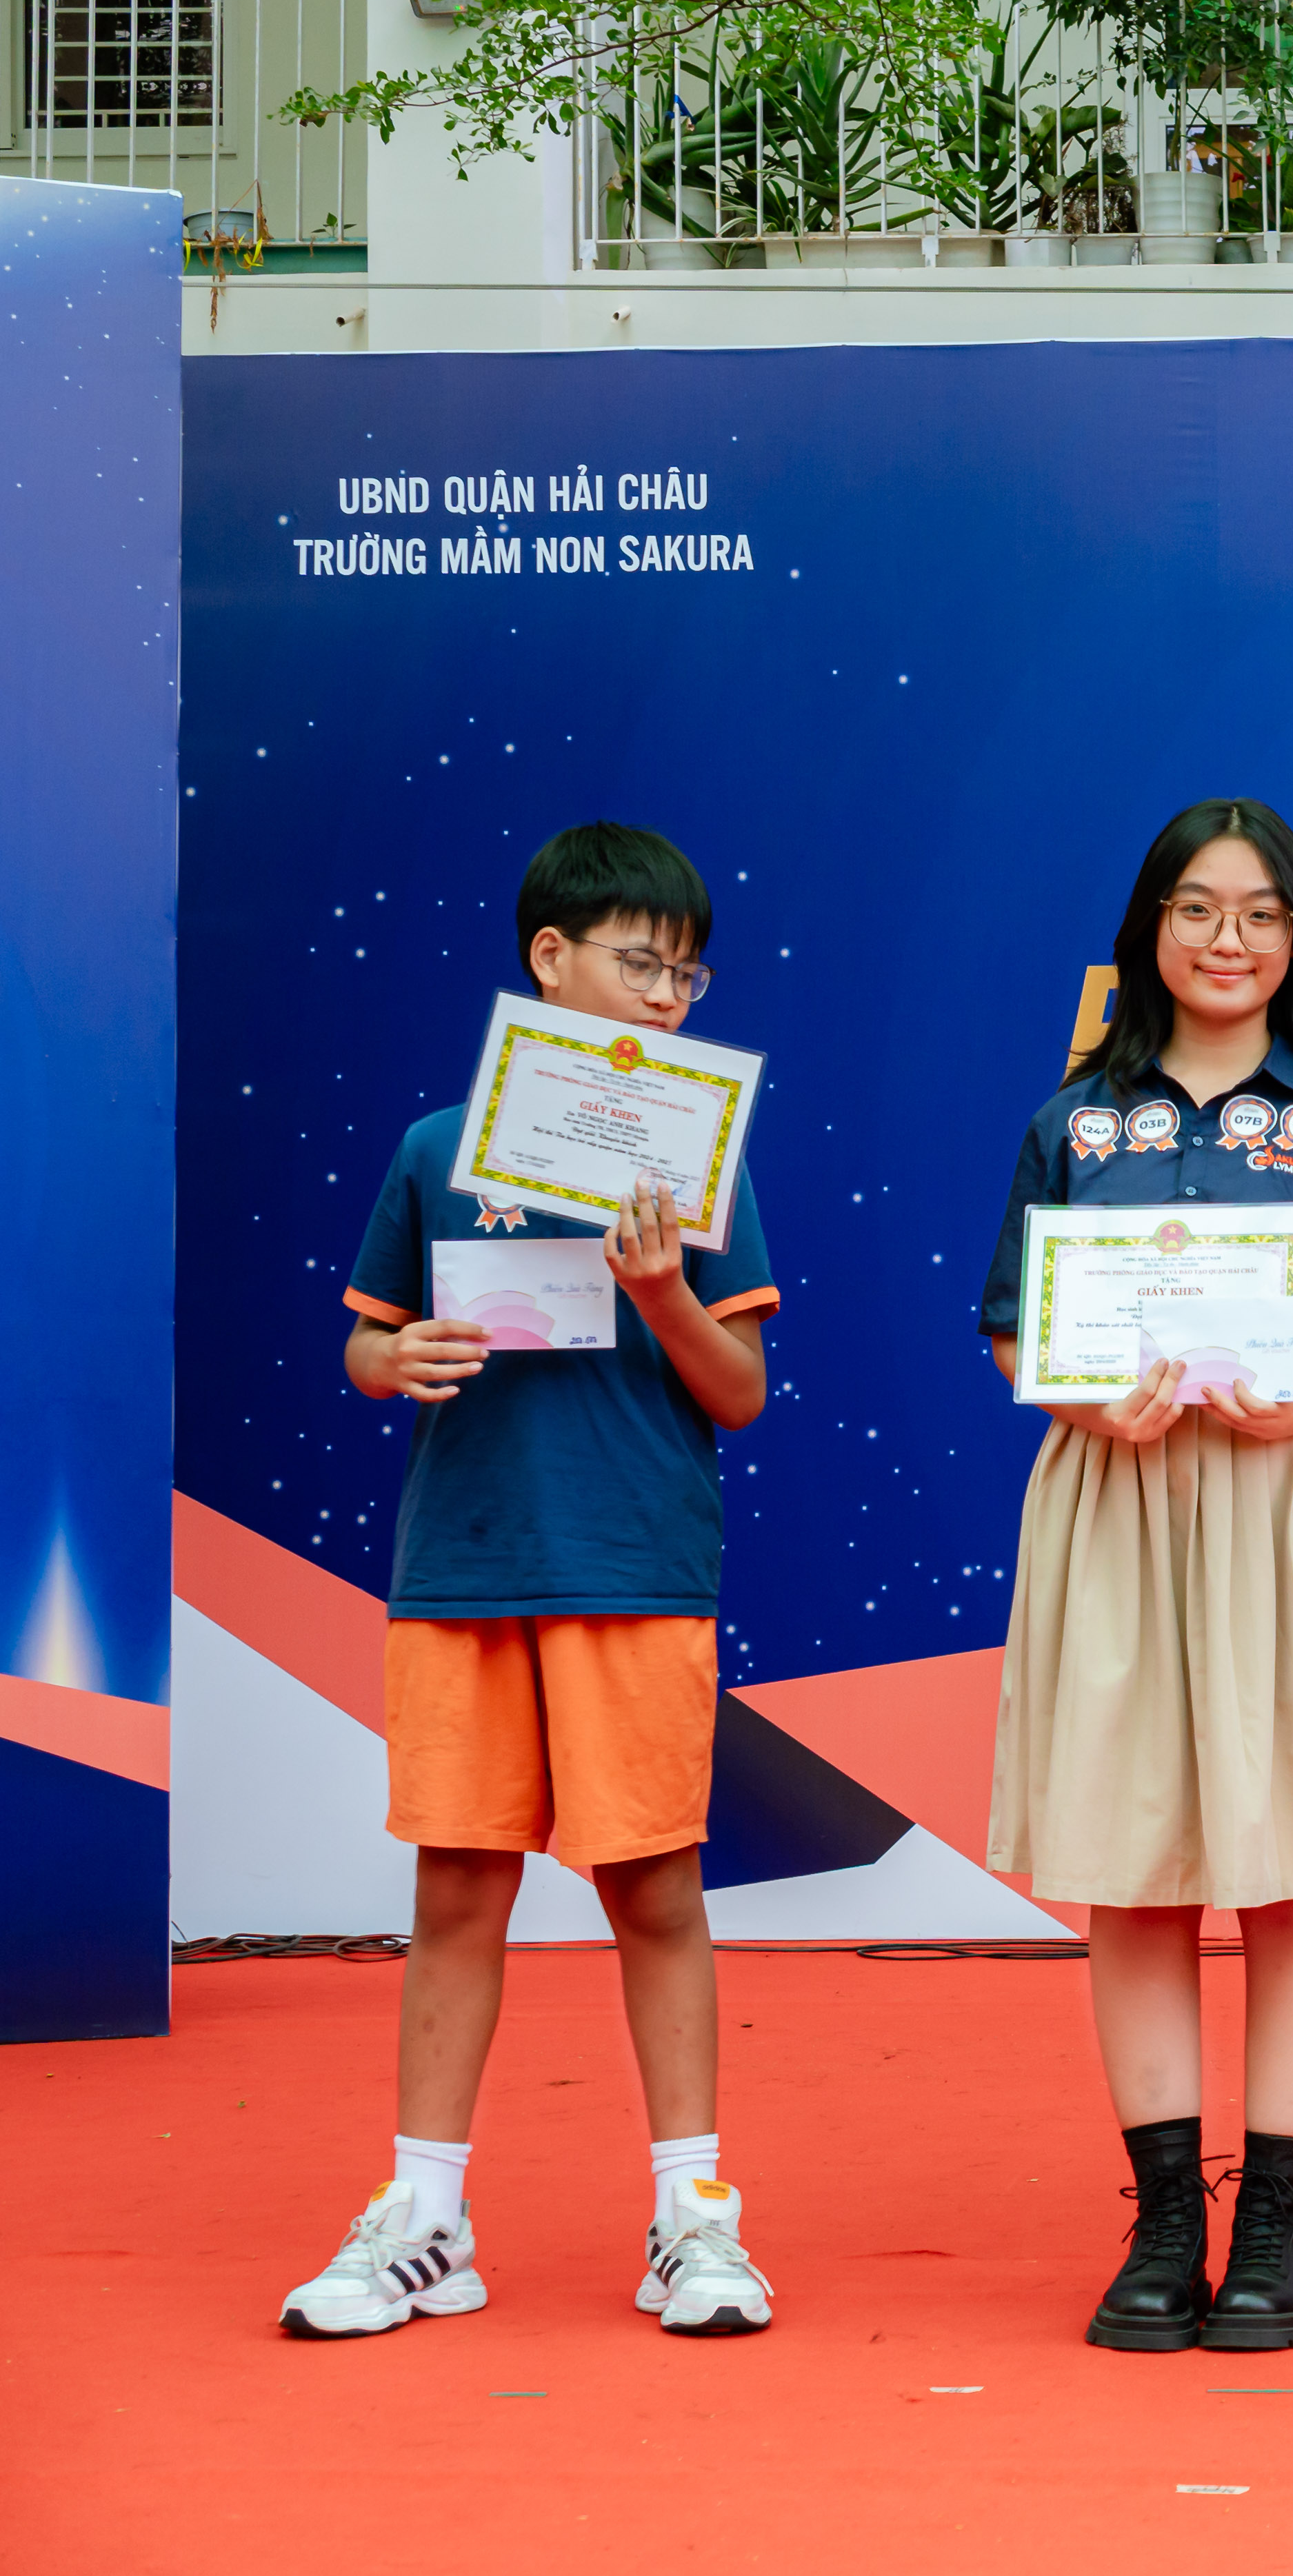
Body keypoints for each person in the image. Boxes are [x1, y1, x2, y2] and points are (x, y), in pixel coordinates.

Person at [282, 823, 783, 2341]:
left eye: (687, 974)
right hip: (465, 1565)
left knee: (655, 1887)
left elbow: (741, 1389)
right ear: (549, 961)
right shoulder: (437, 1150)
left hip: (635, 1562)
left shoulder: (700, 1161)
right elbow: (366, 1341)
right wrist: (396, 1359)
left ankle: (695, 2217)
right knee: (456, 1887)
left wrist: (659, 1290)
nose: (667, 995)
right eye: (641, 962)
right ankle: (424, 2216)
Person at [979, 798, 1293, 2354]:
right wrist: (1081, 1401)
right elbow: (1014, 1329)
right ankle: (1166, 2217)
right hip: (1117, 1496)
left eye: (1258, 913)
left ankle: (1278, 2223)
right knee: (1131, 1864)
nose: (1227, 939)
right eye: (1196, 908)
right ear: (1149, 932)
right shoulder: (1072, 1121)